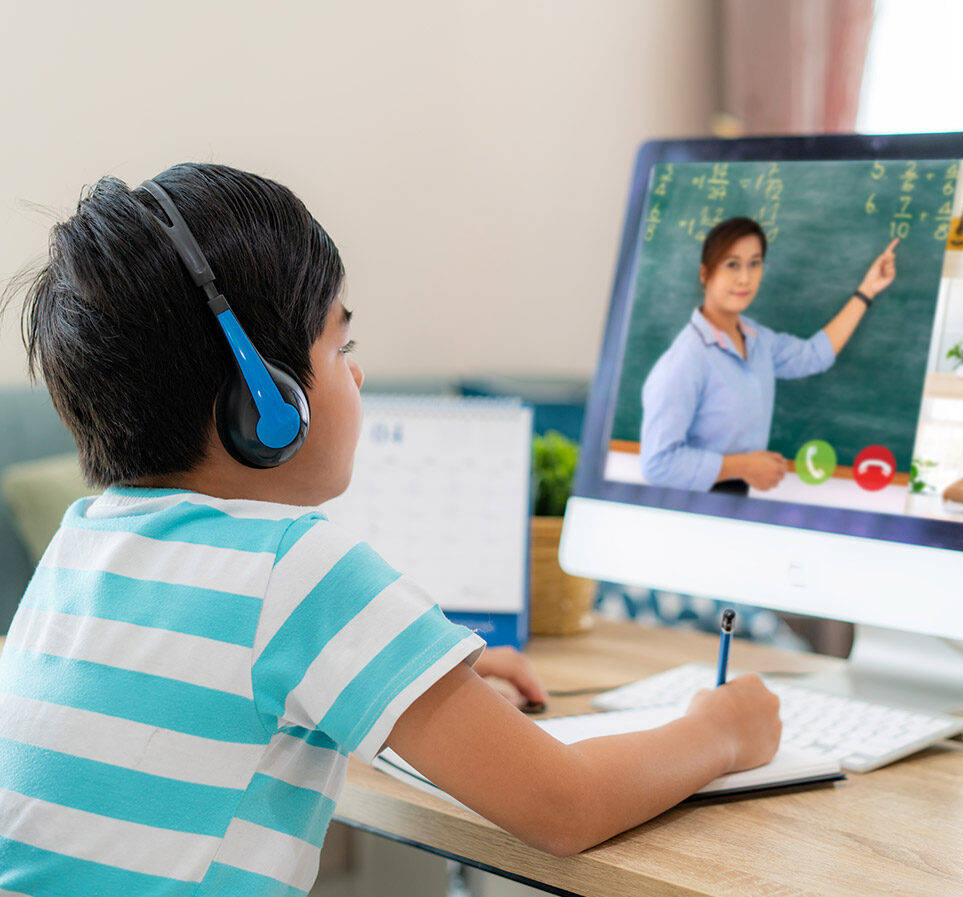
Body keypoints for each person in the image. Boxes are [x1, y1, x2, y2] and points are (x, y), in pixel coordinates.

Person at [0, 164, 783, 892]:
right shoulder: (294, 565)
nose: (359, 373)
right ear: (266, 405)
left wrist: (424, 678)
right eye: (343, 345)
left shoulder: (81, 541)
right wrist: (718, 730)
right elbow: (564, 806)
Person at [640, 217, 899, 494]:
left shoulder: (756, 339)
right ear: (705, 274)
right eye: (732, 264)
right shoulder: (687, 359)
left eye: (755, 263)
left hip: (733, 499)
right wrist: (742, 466)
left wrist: (867, 290)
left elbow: (814, 355)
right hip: (692, 508)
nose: (745, 278)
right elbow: (657, 464)